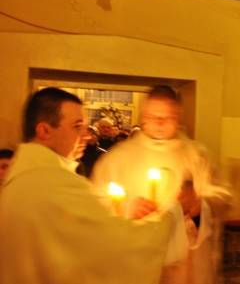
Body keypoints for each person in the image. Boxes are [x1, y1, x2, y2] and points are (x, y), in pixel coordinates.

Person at [0, 87, 185, 284]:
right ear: (44, 130)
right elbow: (107, 250)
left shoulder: (23, 177)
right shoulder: (53, 183)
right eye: (77, 126)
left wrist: (123, 213)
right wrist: (167, 217)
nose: (86, 136)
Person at [92, 85, 232, 284]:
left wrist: (199, 205)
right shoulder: (117, 158)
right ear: (143, 117)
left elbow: (222, 196)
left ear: (178, 118)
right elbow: (95, 204)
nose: (159, 123)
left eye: (166, 117)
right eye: (153, 117)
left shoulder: (197, 155)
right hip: (138, 257)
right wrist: (124, 209)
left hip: (184, 263)